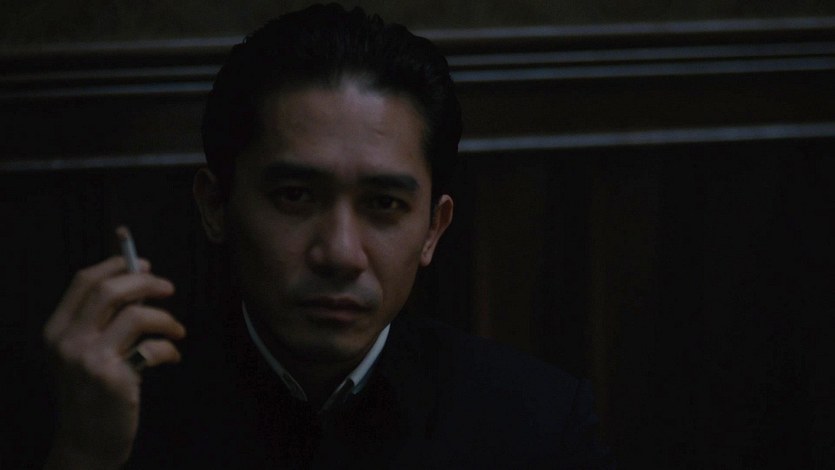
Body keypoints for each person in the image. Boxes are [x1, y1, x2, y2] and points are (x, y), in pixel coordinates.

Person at [42, 4, 613, 468]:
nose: (340, 253)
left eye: (384, 204)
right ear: (216, 206)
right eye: (295, 196)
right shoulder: (102, 410)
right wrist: (86, 457)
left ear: (432, 230)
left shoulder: (537, 424)